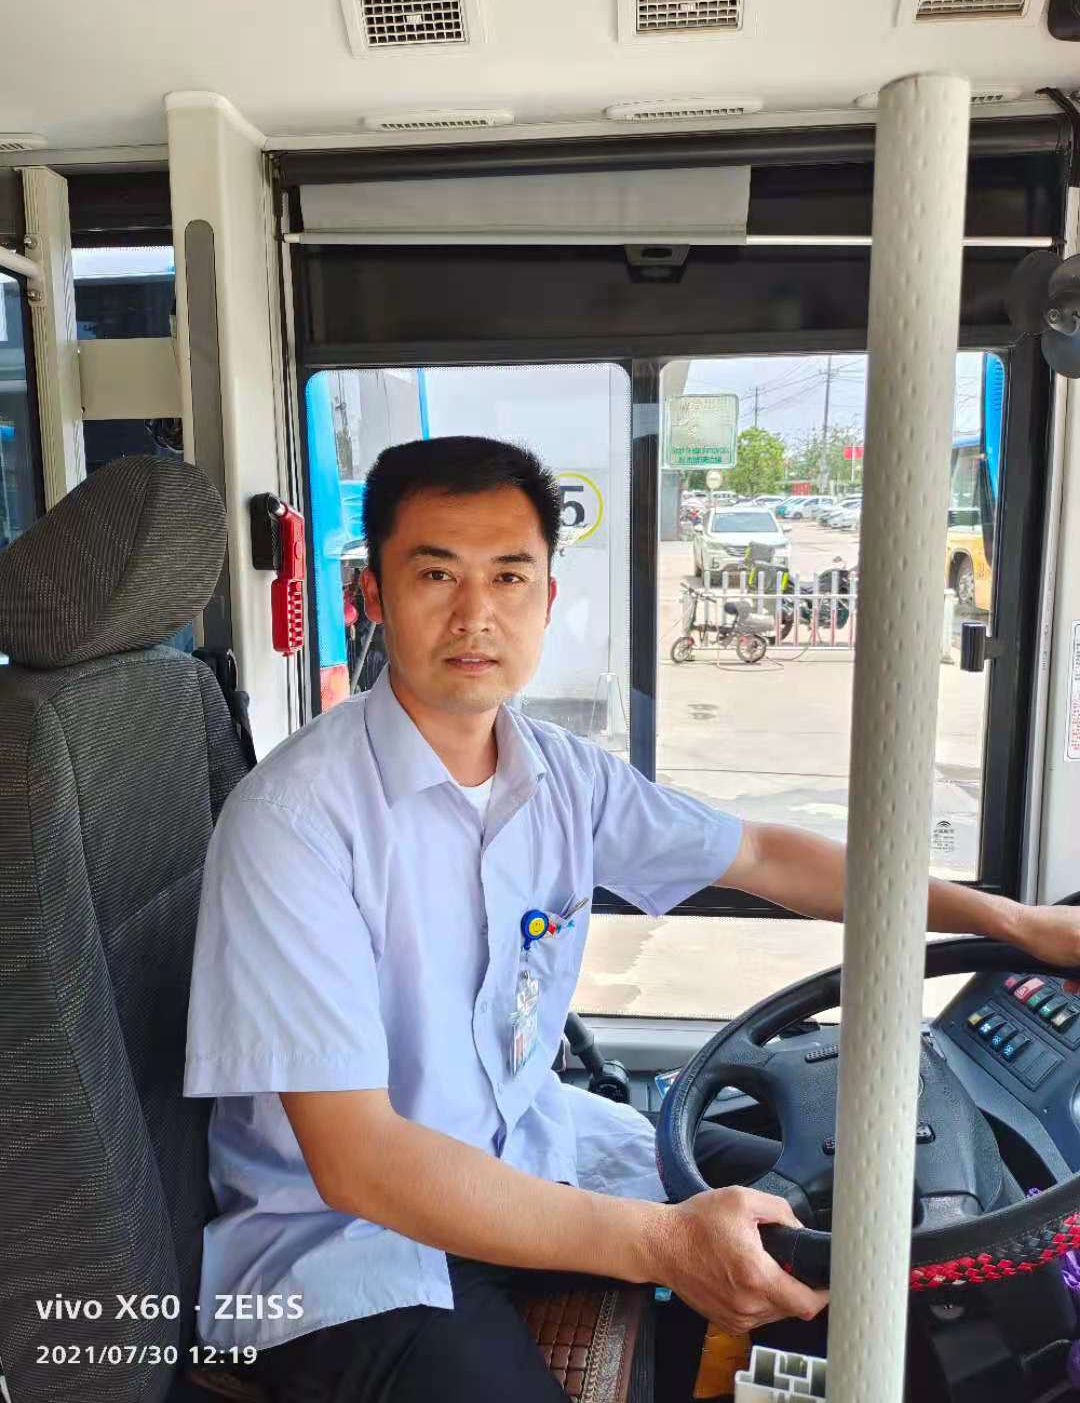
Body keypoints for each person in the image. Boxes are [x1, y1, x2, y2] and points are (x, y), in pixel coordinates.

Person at [184, 436, 1080, 1403]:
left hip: (533, 1153)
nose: (476, 614)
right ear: (372, 595)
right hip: (347, 1247)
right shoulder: (296, 821)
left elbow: (765, 856)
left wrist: (1016, 924)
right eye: (435, 573)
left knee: (871, 1234)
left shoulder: (562, 776)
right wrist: (659, 1242)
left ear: (546, 599)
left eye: (509, 576)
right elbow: (358, 1159)